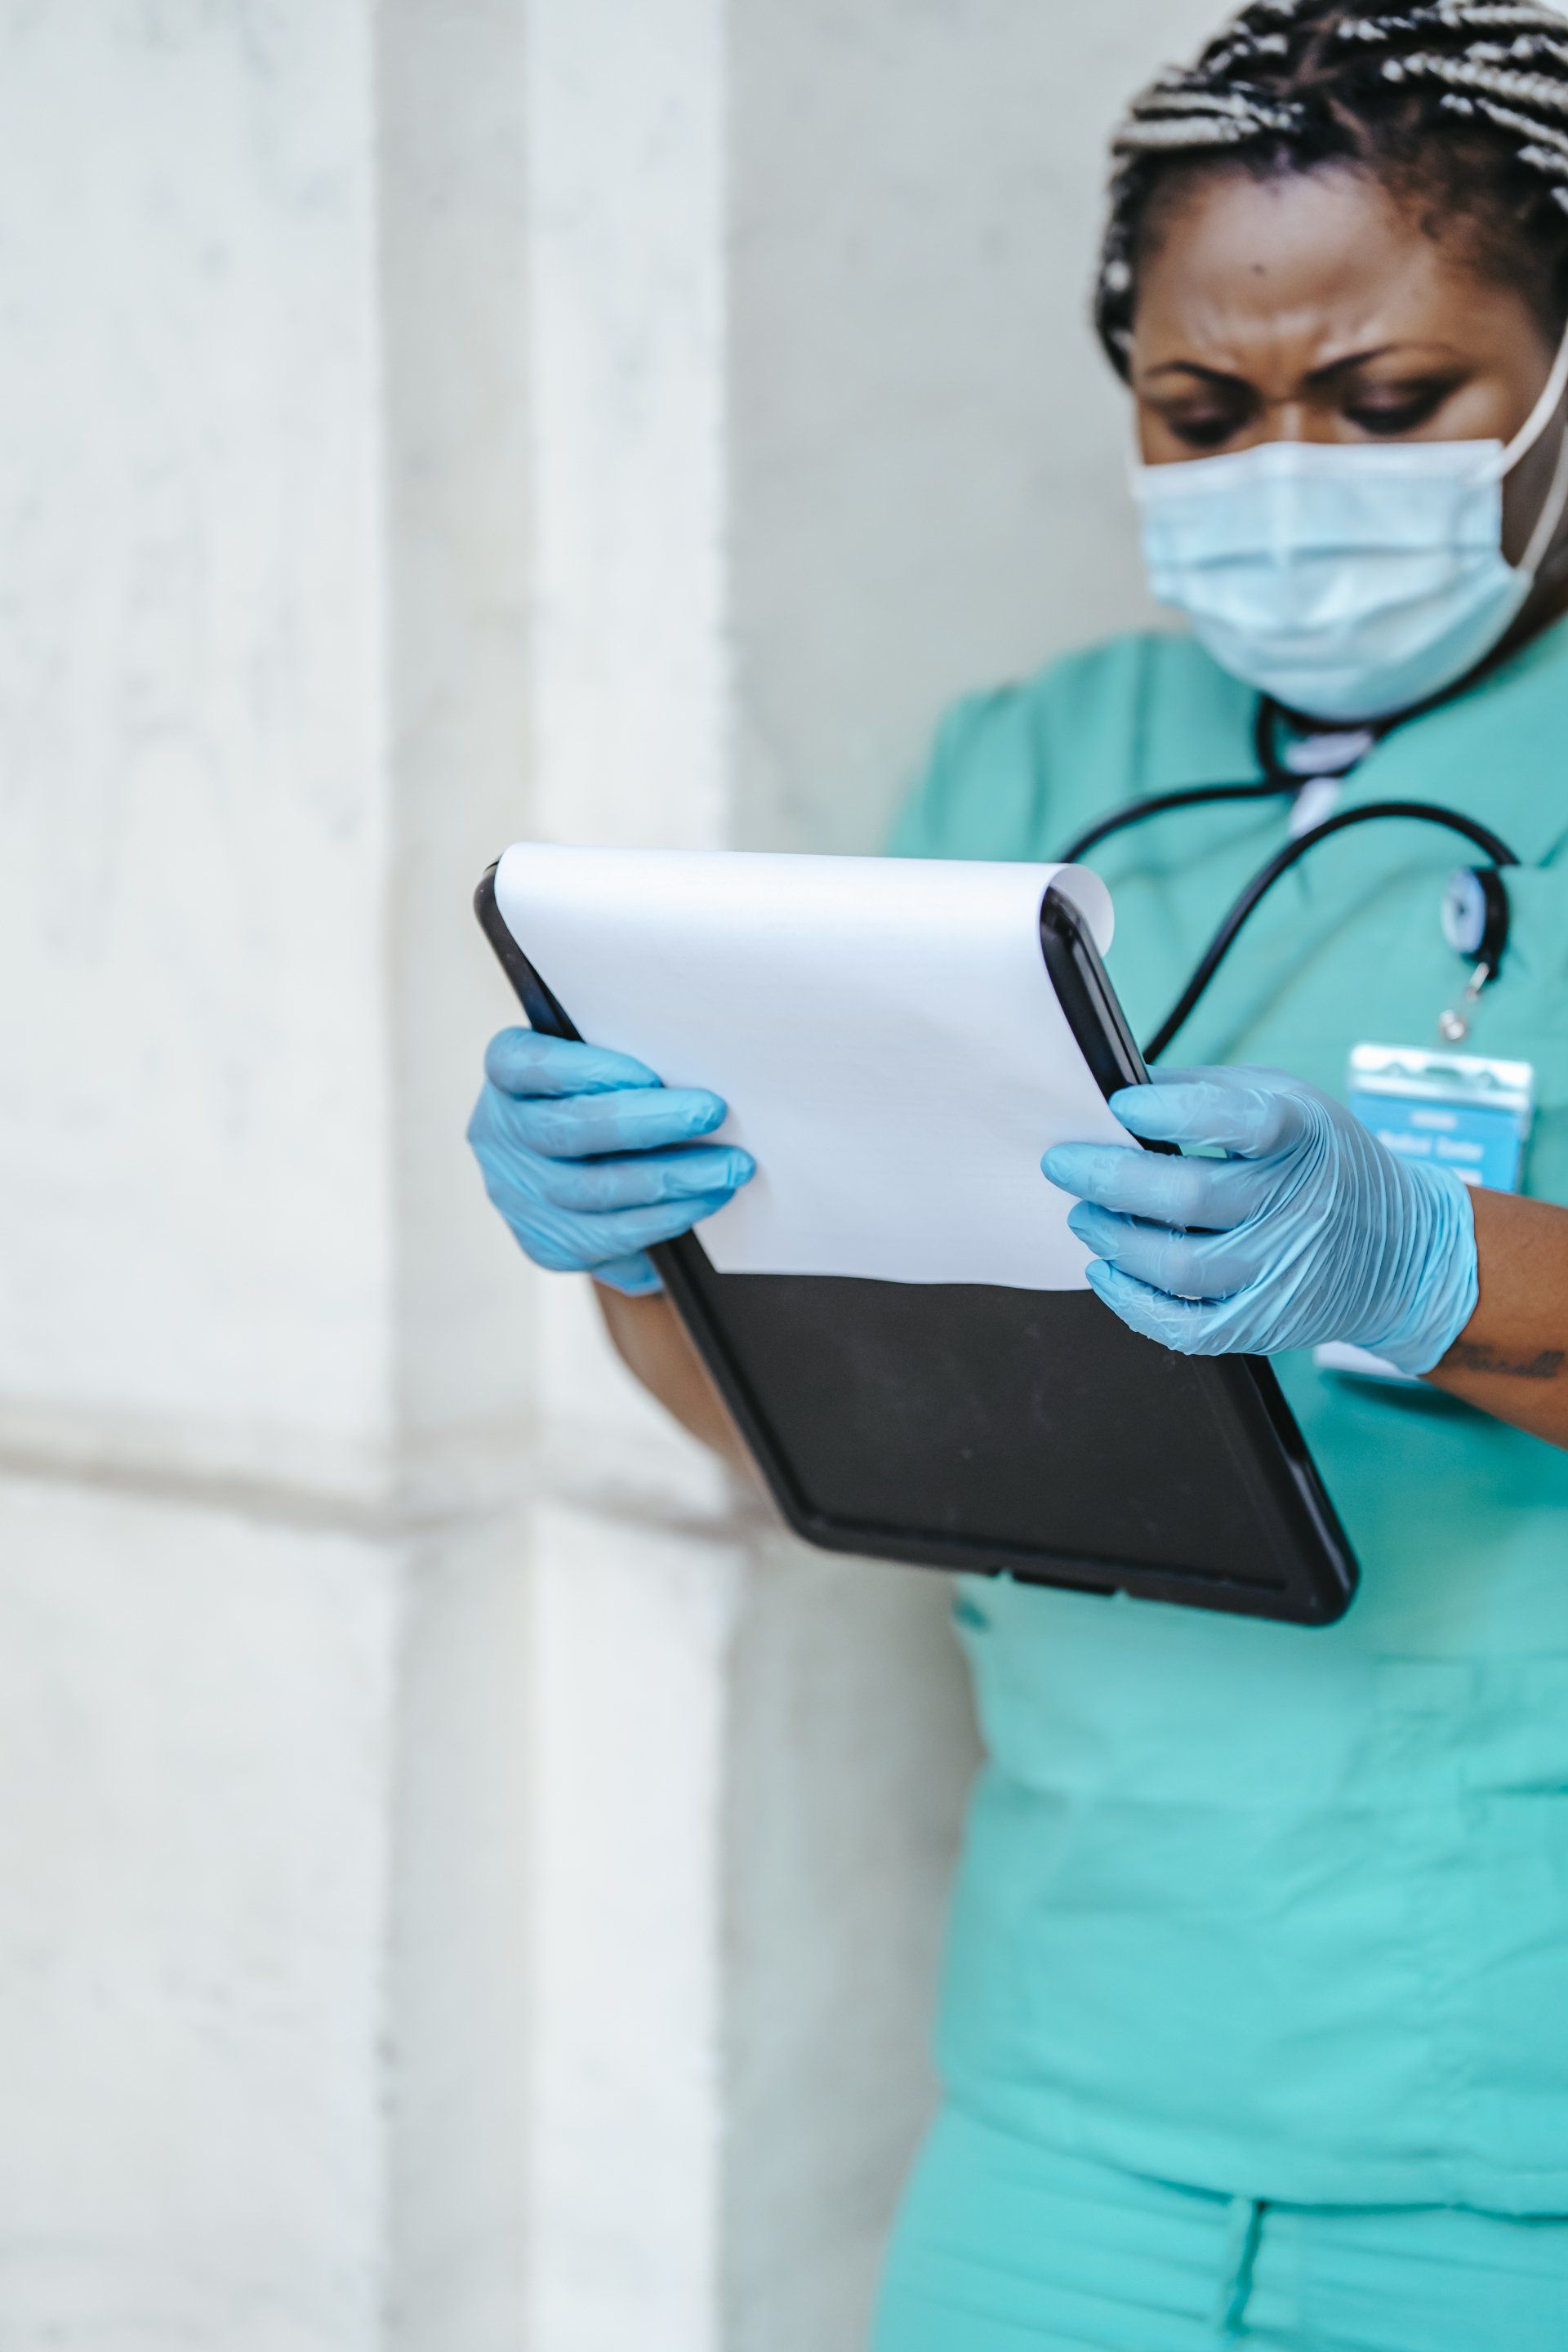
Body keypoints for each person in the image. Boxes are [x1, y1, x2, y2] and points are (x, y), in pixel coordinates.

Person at [468, 4, 1568, 2343]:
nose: (1286, 466)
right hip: (1085, 2081)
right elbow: (810, 1434)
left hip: (1514, 2124)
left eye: (1388, 407)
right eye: (1201, 412)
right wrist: (660, 1254)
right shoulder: (1038, 763)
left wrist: (1411, 1259)